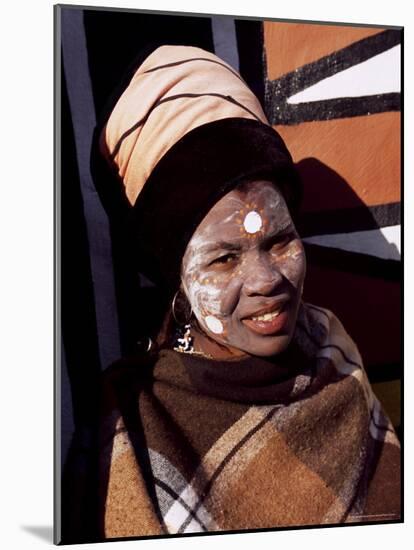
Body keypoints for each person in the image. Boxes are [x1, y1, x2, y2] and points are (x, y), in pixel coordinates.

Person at [61, 45, 400, 542]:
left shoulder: (331, 347)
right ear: (176, 276)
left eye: (280, 241)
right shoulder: (134, 423)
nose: (267, 280)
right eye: (224, 258)